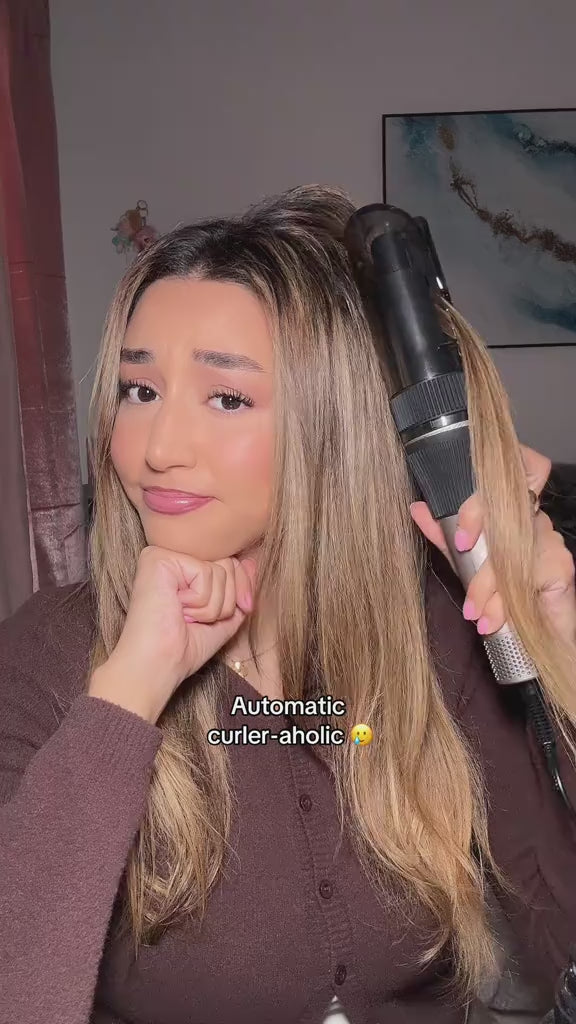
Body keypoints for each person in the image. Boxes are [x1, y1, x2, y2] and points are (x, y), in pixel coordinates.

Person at [1, 184, 575, 1024]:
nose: (158, 449)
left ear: (331, 427)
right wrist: (128, 693)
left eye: (227, 398)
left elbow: (558, 911)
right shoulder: (50, 659)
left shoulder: (430, 633)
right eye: (139, 390)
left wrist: (560, 656)